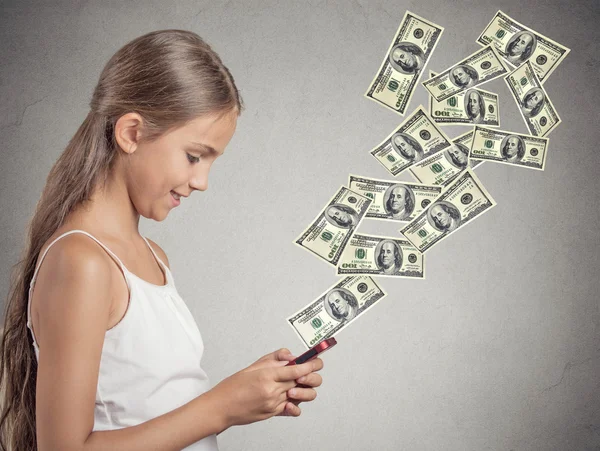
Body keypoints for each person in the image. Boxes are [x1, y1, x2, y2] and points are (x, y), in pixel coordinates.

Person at [0, 30, 324, 451]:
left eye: (211, 162)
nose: (202, 181)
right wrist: (222, 407)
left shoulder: (154, 258)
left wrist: (252, 390)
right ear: (132, 133)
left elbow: (158, 407)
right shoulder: (82, 262)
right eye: (194, 156)